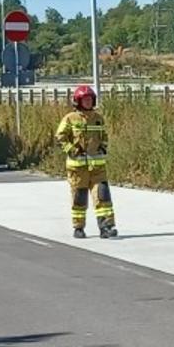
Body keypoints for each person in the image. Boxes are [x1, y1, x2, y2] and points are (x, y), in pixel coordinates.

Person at [54, 85, 117, 239]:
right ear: (78, 101)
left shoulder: (98, 118)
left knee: (102, 196)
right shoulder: (70, 118)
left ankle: (106, 227)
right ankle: (78, 228)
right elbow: (60, 137)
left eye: (90, 99)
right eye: (85, 100)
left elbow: (104, 136)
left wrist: (103, 147)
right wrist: (71, 150)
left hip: (97, 167)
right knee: (79, 198)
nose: (88, 102)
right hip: (77, 169)